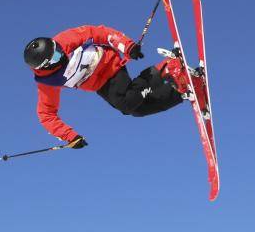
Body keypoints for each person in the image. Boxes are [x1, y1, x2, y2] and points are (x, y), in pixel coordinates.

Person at [23, 25, 189, 149]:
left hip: (109, 64)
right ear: (45, 67)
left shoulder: (65, 40)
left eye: (57, 50)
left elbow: (98, 32)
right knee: (137, 110)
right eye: (54, 58)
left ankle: (167, 68)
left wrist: (126, 46)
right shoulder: (47, 82)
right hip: (100, 85)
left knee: (126, 103)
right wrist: (70, 136)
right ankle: (181, 90)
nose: (60, 55)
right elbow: (46, 114)